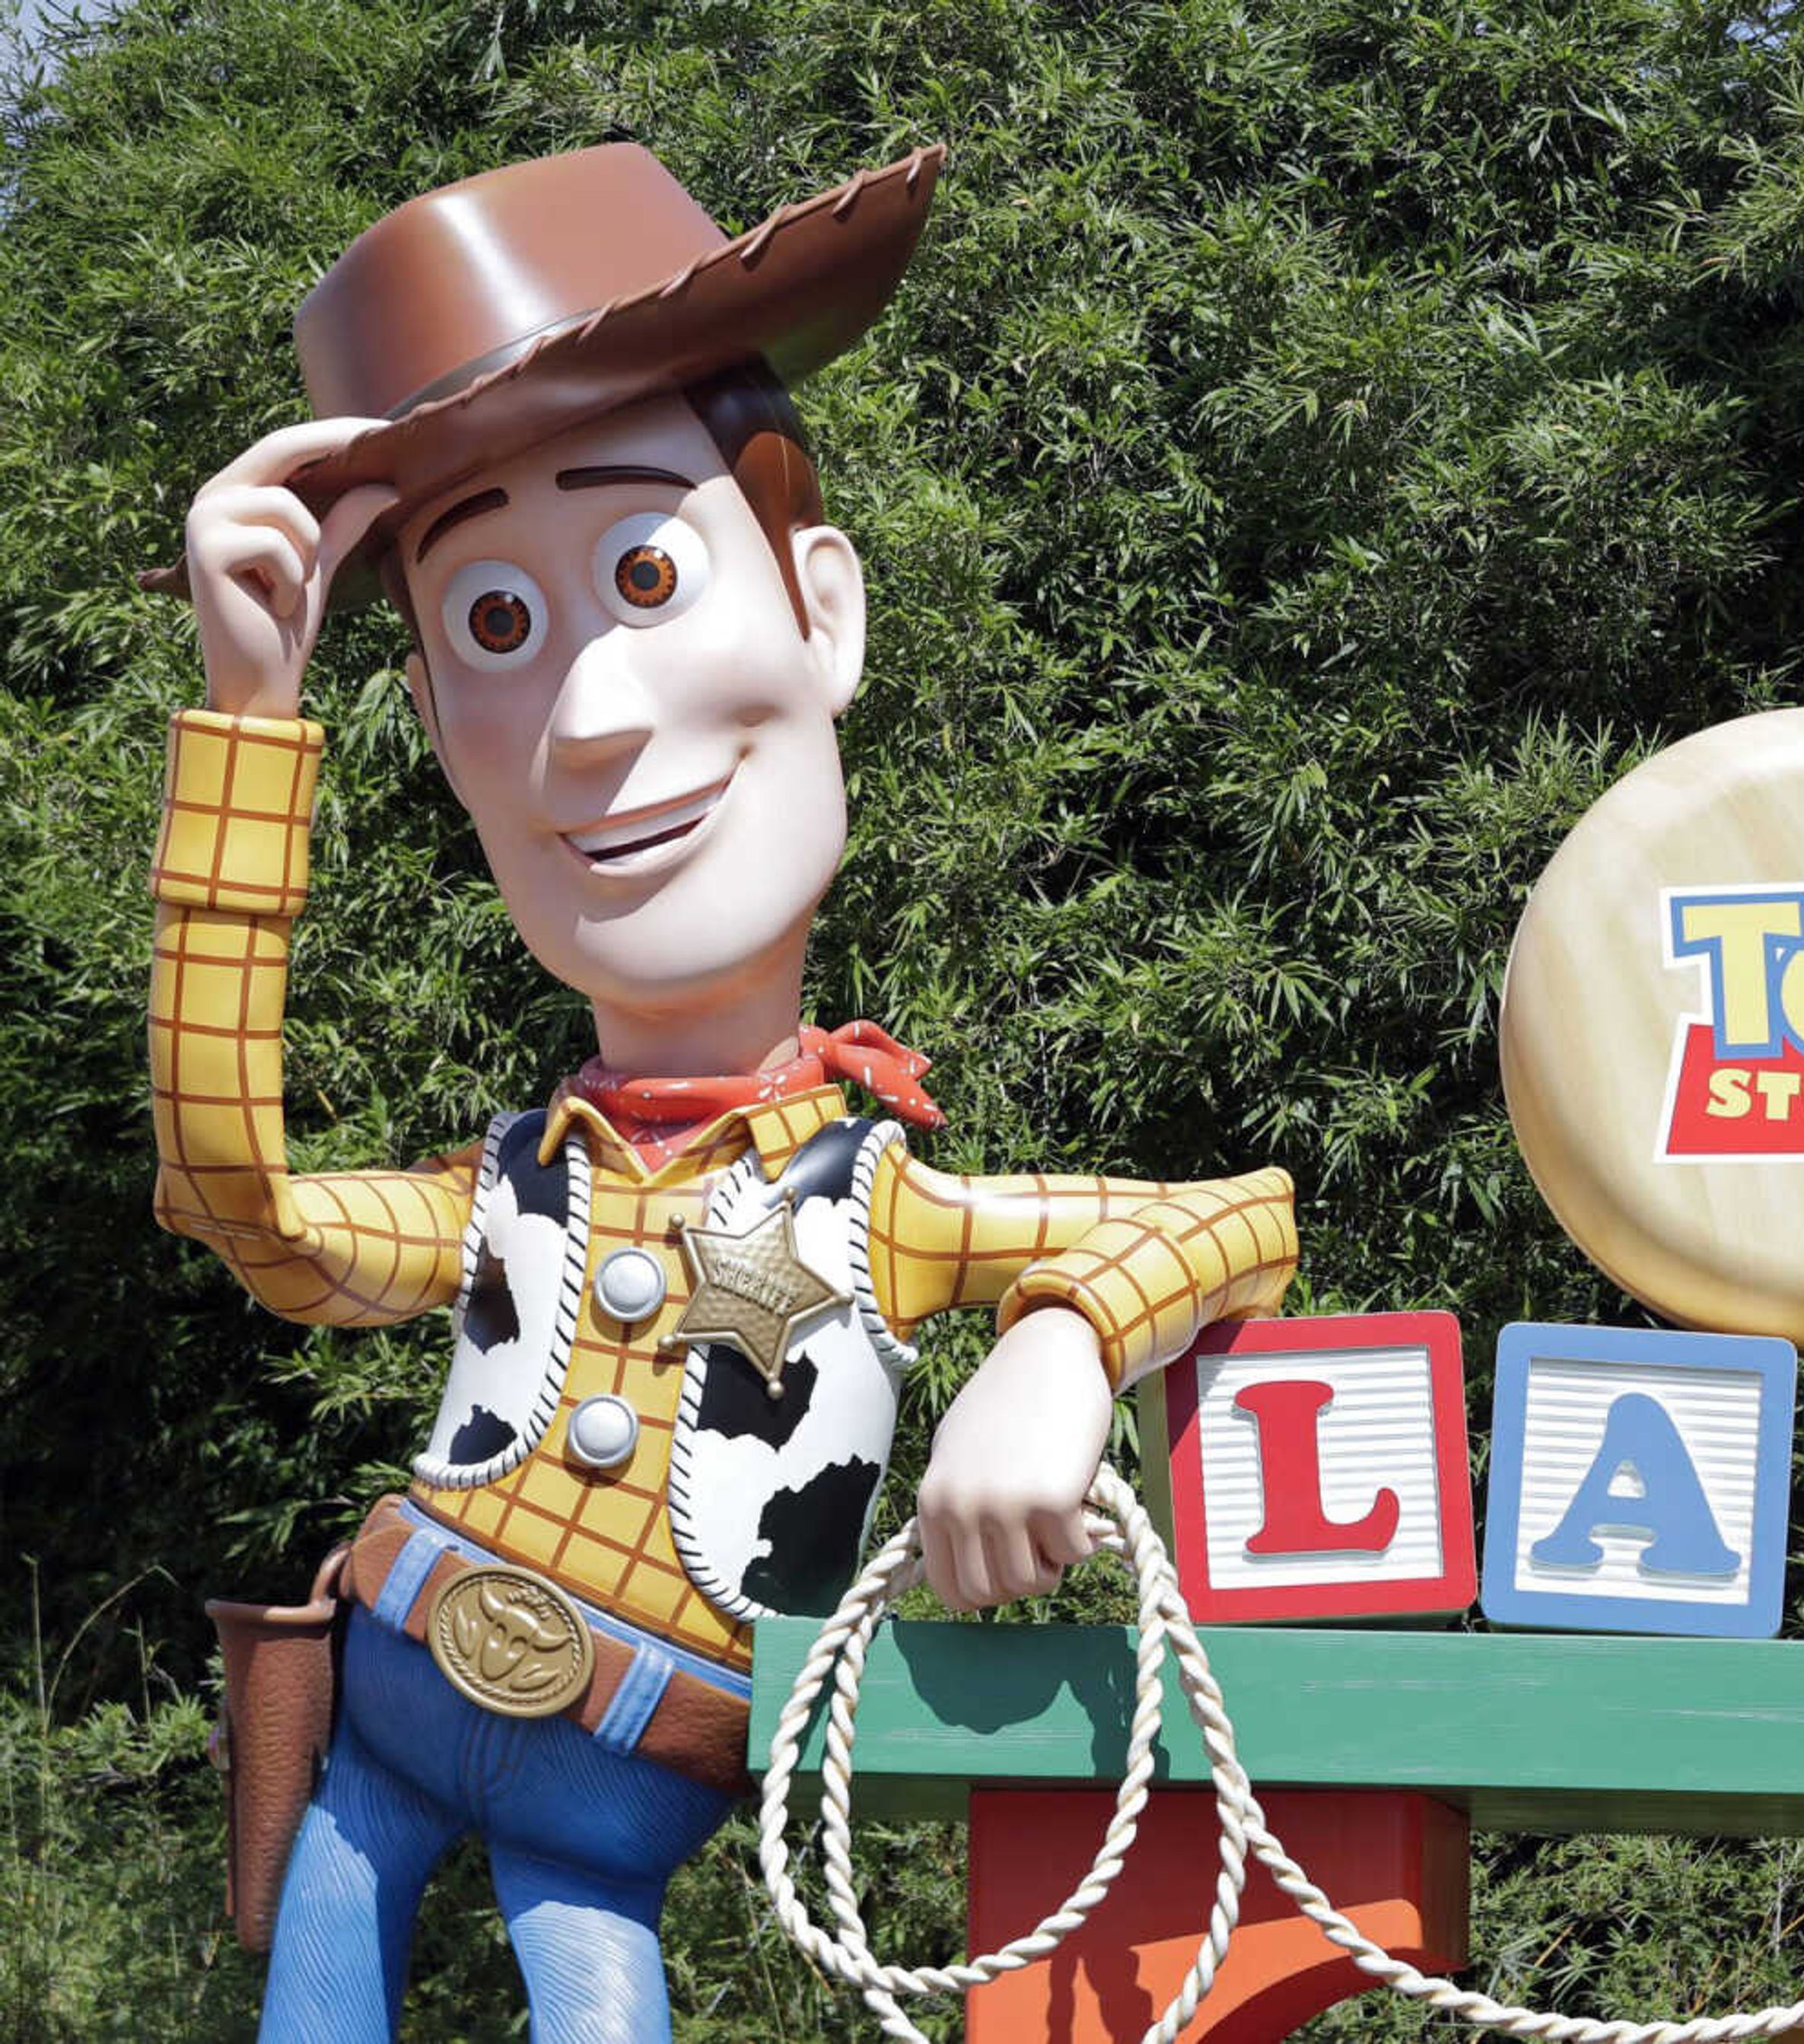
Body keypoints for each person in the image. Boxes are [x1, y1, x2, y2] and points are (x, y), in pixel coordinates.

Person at [146, 140, 1297, 2041]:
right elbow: (244, 1210)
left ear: (820, 610)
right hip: (388, 1689)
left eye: (648, 571)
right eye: (495, 628)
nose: (591, 719)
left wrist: (1061, 1347)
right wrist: (249, 732)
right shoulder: (504, 1183)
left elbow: (1236, 1211)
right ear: (436, 733)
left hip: (625, 1780)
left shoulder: (883, 1199)